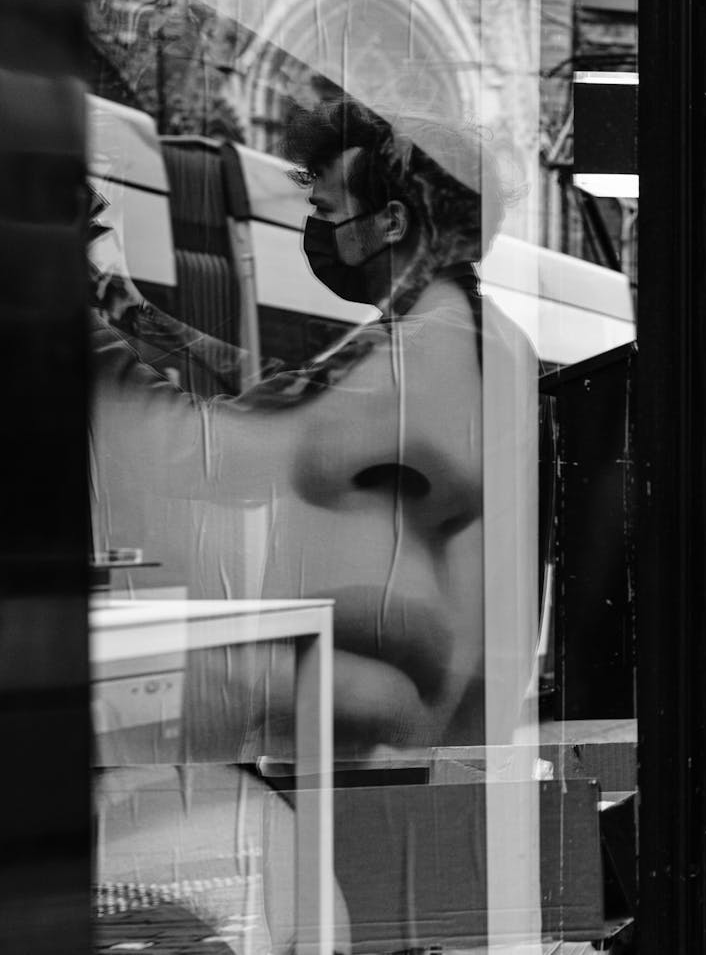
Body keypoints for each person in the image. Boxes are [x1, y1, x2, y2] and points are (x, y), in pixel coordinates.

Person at [90, 97, 538, 952]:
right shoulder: (460, 336)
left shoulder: (421, 347)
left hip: (397, 771)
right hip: (440, 759)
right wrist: (124, 303)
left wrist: (87, 314)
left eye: (329, 213)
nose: (319, 232)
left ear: (393, 219)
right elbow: (260, 384)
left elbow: (214, 444)